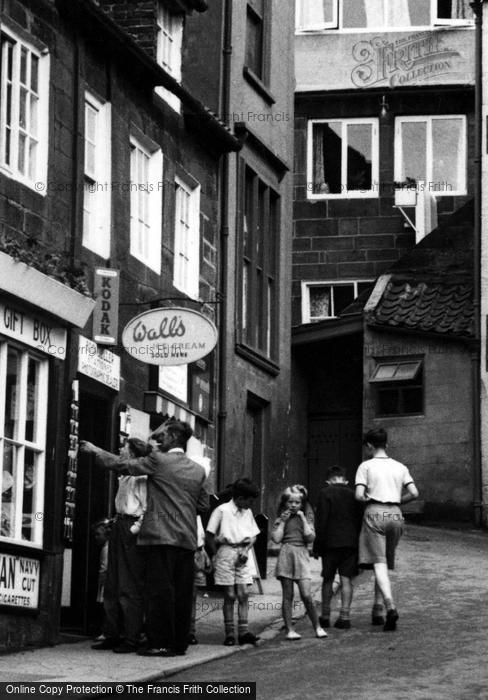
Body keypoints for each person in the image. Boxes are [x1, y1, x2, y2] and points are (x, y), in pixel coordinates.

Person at [80, 418, 209, 657]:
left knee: (159, 592)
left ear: (172, 438)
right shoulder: (198, 470)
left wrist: (97, 451)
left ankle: (159, 643)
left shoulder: (158, 461)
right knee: (181, 594)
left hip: (161, 536)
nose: (160, 439)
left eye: (164, 435)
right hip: (187, 538)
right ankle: (178, 644)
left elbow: (123, 466)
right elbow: (203, 505)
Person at [355, 428, 419, 632]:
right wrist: (398, 500)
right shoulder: (400, 466)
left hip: (375, 512)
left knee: (378, 563)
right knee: (380, 562)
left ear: (369, 446)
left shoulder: (366, 466)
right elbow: (415, 493)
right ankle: (377, 609)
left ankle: (390, 605)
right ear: (387, 444)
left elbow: (358, 495)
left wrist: (366, 498)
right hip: (395, 514)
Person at [92, 437, 150, 653]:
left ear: (133, 455)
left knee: (129, 586)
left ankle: (131, 636)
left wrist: (134, 530)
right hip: (119, 525)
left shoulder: (141, 479)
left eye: (124, 448)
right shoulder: (124, 477)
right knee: (112, 583)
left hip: (130, 529)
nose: (119, 450)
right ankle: (112, 633)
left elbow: (147, 509)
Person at [206, 478, 261, 647]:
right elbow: (209, 534)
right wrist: (215, 555)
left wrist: (246, 549)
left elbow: (254, 535)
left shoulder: (248, 513)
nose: (251, 504)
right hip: (226, 551)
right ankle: (230, 633)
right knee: (229, 595)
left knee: (243, 593)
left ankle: (243, 632)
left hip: (243, 552)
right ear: (239, 498)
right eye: (249, 501)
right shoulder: (222, 510)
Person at [271, 485, 327, 641]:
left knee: (307, 595)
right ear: (285, 503)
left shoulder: (306, 518)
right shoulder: (280, 518)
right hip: (286, 555)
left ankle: (317, 626)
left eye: (297, 502)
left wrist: (302, 518)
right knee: (287, 596)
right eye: (290, 502)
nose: (293, 505)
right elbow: (276, 539)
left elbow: (310, 537)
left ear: (302, 504)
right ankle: (289, 629)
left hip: (301, 555)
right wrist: (282, 521)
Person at [313, 465, 362, 630]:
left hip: (330, 544)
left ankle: (325, 616)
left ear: (329, 481)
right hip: (350, 543)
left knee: (327, 579)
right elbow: (359, 519)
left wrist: (317, 546)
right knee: (346, 579)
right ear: (345, 480)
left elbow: (321, 522)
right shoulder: (354, 494)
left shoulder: (325, 493)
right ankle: (345, 616)